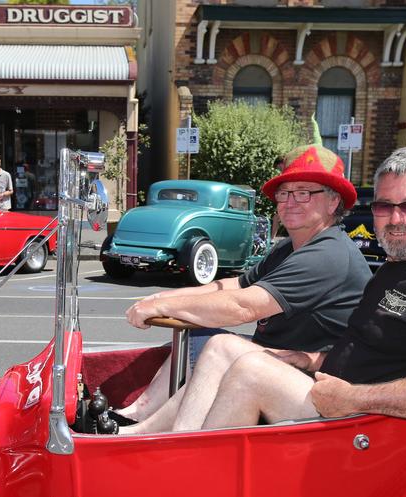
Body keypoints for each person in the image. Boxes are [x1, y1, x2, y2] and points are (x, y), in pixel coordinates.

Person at [168, 147, 406, 432]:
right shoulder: (397, 266)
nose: (394, 218)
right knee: (222, 346)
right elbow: (371, 350)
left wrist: (353, 398)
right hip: (332, 391)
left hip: (361, 423)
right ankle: (169, 445)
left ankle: (193, 475)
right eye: (383, 206)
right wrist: (312, 360)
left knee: (252, 371)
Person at [118, 129, 371, 433]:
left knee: (221, 346)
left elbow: (244, 306)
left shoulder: (328, 254)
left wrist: (163, 304)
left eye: (304, 192)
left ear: (333, 203)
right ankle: (135, 419)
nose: (290, 201)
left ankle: (168, 445)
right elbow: (233, 285)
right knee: (204, 337)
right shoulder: (289, 247)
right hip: (283, 364)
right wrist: (160, 300)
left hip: (321, 386)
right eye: (284, 193)